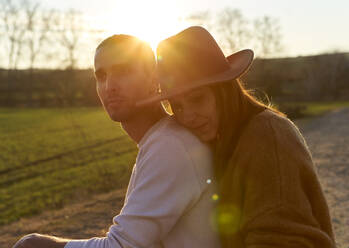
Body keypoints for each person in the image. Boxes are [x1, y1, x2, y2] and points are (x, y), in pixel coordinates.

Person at [12, 34, 221, 248]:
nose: (109, 86)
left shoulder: (170, 146)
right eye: (101, 76)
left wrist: (40, 244)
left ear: (153, 79)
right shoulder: (159, 141)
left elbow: (121, 246)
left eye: (123, 71)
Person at [138, 26, 336, 247]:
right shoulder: (228, 135)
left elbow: (282, 241)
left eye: (197, 99)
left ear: (224, 89)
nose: (188, 116)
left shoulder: (267, 136)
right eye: (177, 106)